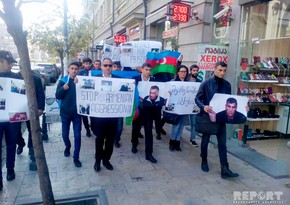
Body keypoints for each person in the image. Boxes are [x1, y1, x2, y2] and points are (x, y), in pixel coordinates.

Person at [195, 61, 239, 179]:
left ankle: (225, 168)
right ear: (214, 69)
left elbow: (229, 101)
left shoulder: (227, 85)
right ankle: (204, 160)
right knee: (205, 141)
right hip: (207, 117)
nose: (222, 73)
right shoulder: (206, 83)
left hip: (221, 118)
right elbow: (197, 98)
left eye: (224, 71)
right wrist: (204, 107)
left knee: (222, 144)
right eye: (220, 70)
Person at [91, 58, 119, 172]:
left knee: (110, 141)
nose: (108, 67)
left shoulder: (119, 80)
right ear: (101, 66)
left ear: (112, 67)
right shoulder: (94, 79)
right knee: (99, 140)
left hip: (112, 118)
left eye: (110, 65)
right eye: (105, 65)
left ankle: (106, 160)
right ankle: (97, 161)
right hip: (98, 118)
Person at [0, 50, 22, 190]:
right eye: (9, 63)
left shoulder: (17, 77)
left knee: (11, 144)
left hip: (12, 118)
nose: (11, 65)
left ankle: (10, 168)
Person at [55, 62, 82, 168]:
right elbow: (58, 96)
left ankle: (76, 157)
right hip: (65, 113)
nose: (74, 70)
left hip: (77, 114)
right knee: (64, 134)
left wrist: (79, 85)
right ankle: (67, 146)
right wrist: (63, 88)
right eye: (72, 68)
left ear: (78, 70)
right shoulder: (62, 81)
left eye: (76, 69)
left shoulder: (81, 81)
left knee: (77, 136)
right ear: (68, 70)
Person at [131, 62, 155, 154]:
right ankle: (134, 144)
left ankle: (149, 153)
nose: (148, 72)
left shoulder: (153, 80)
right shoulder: (135, 79)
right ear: (141, 69)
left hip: (149, 110)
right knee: (135, 129)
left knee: (149, 131)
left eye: (149, 70)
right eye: (146, 69)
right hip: (137, 109)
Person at [141, 85, 165, 163]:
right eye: (150, 92)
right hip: (147, 118)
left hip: (157, 118)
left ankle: (158, 133)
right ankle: (148, 154)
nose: (151, 95)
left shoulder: (161, 100)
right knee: (148, 134)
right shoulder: (145, 99)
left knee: (158, 129)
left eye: (154, 93)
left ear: (157, 93)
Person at [169, 65, 189, 152]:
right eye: (182, 71)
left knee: (181, 126)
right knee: (176, 125)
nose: (183, 73)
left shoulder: (189, 83)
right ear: (178, 72)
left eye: (185, 72)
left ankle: (177, 143)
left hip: (184, 107)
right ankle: (172, 142)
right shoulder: (173, 82)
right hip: (176, 108)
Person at [77, 57, 93, 137]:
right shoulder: (80, 73)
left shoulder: (94, 72)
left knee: (93, 113)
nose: (88, 65)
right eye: (86, 63)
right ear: (83, 64)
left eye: (89, 63)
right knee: (85, 114)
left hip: (93, 96)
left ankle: (93, 126)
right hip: (84, 97)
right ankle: (87, 129)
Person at [189, 64, 202, 147]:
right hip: (184, 104)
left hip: (194, 104)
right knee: (181, 121)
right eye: (194, 70)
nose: (195, 72)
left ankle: (192, 139)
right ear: (190, 71)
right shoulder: (186, 80)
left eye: (197, 71)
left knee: (194, 123)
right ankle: (178, 136)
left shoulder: (200, 81)